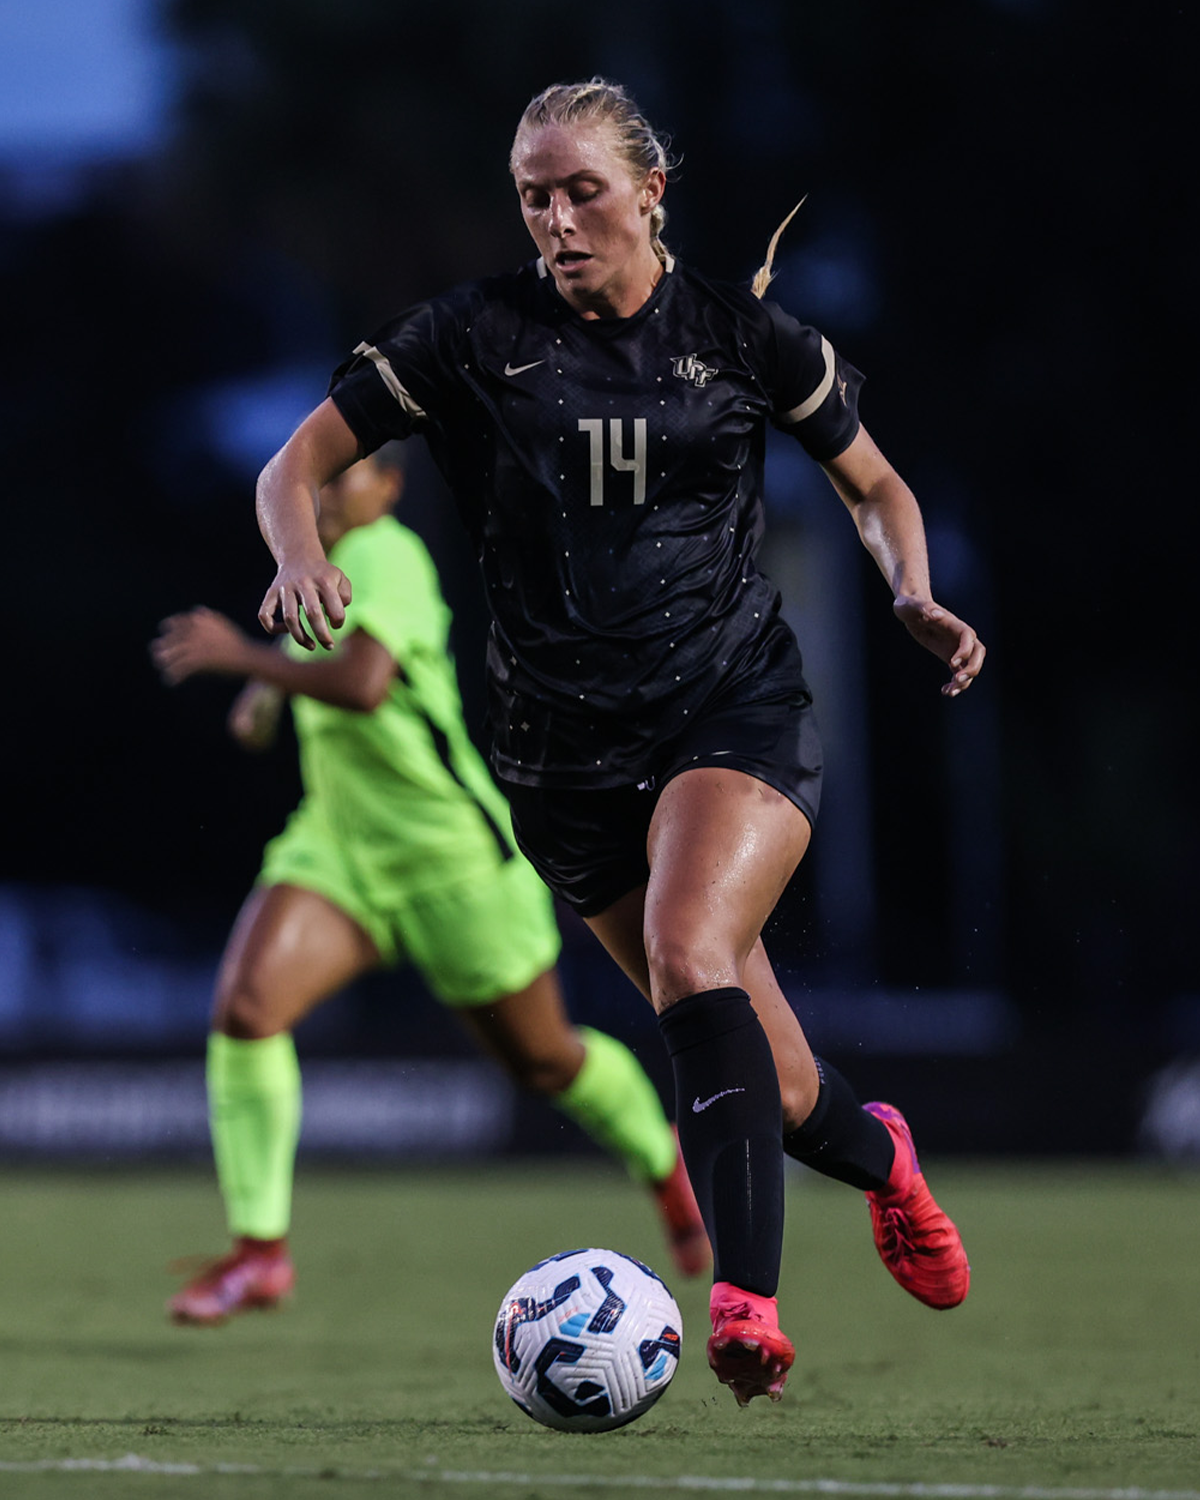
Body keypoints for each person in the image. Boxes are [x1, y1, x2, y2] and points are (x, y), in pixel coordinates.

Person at [250, 79, 986, 1406]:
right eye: (534, 194)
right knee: (778, 1075)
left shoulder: (741, 337)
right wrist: (300, 553)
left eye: (581, 189)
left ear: (652, 191)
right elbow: (289, 466)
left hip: (730, 708)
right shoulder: (472, 334)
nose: (555, 217)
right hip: (558, 755)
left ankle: (747, 1303)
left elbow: (873, 486)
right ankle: (884, 1160)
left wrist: (910, 590)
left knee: (688, 950)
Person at [151, 444, 709, 1326]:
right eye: (320, 471)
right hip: (340, 850)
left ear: (388, 487)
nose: (327, 488)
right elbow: (316, 664)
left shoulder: (390, 555)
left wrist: (247, 663)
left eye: (347, 471)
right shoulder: (323, 570)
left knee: (546, 1060)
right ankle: (259, 1254)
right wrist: (272, 683)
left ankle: (667, 1170)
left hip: (451, 858)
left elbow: (366, 683)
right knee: (247, 1013)